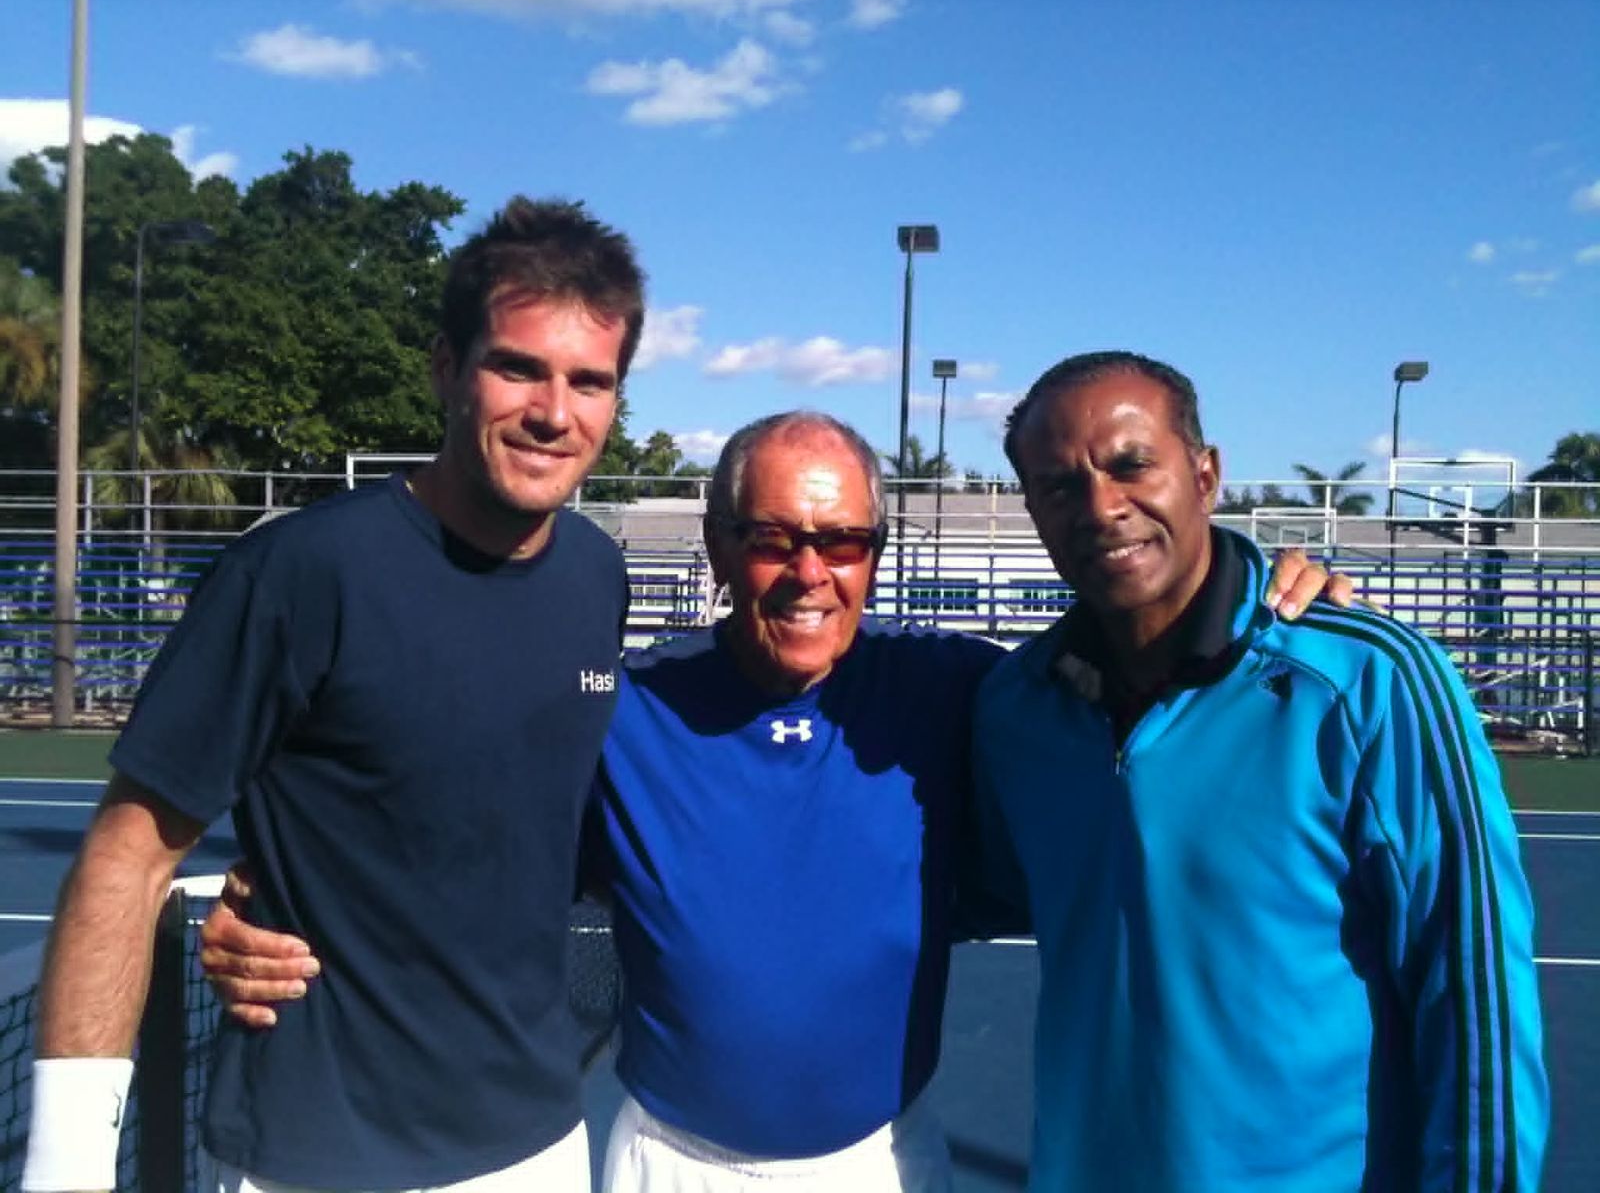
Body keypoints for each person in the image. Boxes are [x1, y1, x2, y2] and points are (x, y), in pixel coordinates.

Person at [202, 409, 1345, 1192]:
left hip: (886, 1162)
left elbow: (1155, 652)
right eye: (772, 540)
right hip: (667, 1166)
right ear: (716, 547)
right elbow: (448, 831)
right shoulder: (621, 708)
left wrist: (1268, 593)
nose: (810, 573)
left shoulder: (960, 688)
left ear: (874, 554)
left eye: (842, 541)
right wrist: (266, 900)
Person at [23, 197, 645, 1193]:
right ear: (445, 366)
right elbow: (126, 860)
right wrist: (66, 1172)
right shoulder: (298, 573)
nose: (552, 411)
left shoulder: (596, 578)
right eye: (517, 367)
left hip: (536, 1146)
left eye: (589, 381)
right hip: (313, 1159)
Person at [971, 350, 1548, 1191]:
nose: (1101, 507)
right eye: (1059, 486)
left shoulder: (1368, 680)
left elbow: (1474, 987)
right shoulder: (1013, 707)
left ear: (1205, 476)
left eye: (1132, 465)